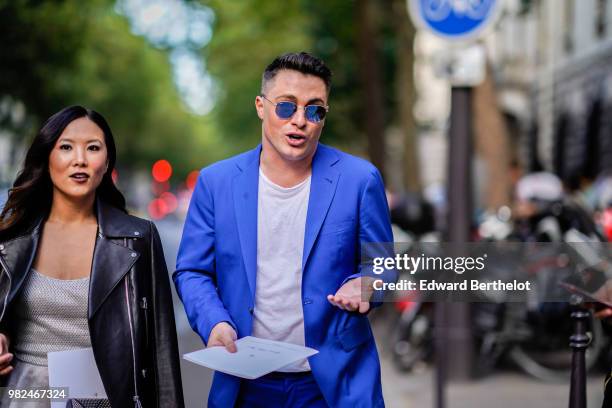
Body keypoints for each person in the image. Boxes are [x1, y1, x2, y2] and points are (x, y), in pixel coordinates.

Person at [174, 52, 393, 407]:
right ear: (261, 106)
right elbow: (192, 270)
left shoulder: (359, 180)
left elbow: (383, 266)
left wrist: (367, 285)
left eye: (314, 110)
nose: (300, 121)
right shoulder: (216, 182)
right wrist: (214, 323)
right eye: (286, 107)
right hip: (245, 381)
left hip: (336, 383)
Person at [0, 106, 184, 407]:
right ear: (48, 157)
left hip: (105, 399)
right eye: (66, 147)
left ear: (107, 161)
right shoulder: (10, 239)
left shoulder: (137, 239)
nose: (80, 160)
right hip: (24, 396)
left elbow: (161, 349)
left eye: (93, 148)